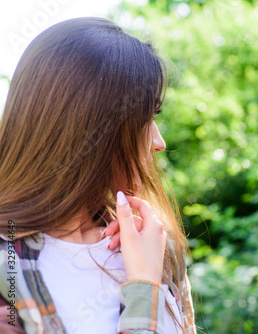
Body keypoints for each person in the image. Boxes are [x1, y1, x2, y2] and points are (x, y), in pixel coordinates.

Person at [0, 17, 196, 333]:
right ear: (92, 130)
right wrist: (143, 289)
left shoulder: (158, 246)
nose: (159, 143)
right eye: (144, 119)